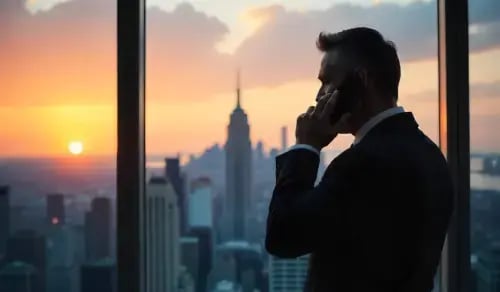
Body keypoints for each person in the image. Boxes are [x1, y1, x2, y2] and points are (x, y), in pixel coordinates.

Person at [265, 27, 454, 292]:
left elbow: (283, 236)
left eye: (327, 81)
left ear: (362, 80)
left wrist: (306, 146)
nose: (319, 96)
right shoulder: (431, 155)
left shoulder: (361, 164)